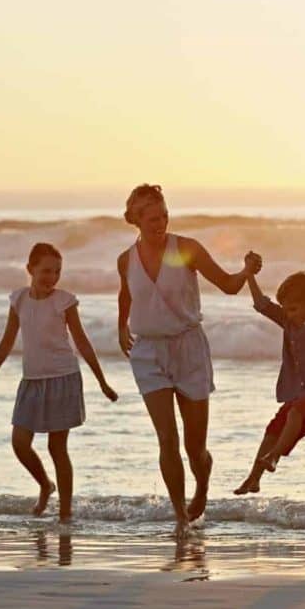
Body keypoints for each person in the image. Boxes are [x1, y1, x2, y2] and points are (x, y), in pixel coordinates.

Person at [117, 183, 261, 538]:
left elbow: (228, 285)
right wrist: (122, 325)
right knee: (167, 438)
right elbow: (126, 292)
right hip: (148, 353)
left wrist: (246, 271)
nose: (160, 222)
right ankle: (180, 516)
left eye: (164, 215)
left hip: (189, 349)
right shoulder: (126, 259)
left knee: (194, 447)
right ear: (134, 219)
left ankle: (202, 488)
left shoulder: (185, 249)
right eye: (151, 218)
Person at [0, 242, 118, 524]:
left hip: (63, 379)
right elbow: (8, 339)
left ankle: (65, 514)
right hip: (31, 381)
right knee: (20, 442)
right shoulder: (18, 300)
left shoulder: (64, 301)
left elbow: (81, 341)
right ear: (30, 269)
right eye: (45, 271)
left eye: (57, 272)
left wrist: (102, 381)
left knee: (58, 448)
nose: (52, 277)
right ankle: (45, 484)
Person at [233, 242, 305, 495]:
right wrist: (249, 274)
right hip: (302, 395)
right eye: (285, 309)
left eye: (293, 309)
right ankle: (253, 478)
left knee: (295, 413)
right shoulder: (288, 321)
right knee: (273, 428)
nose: (288, 314)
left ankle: (274, 458)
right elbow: (262, 304)